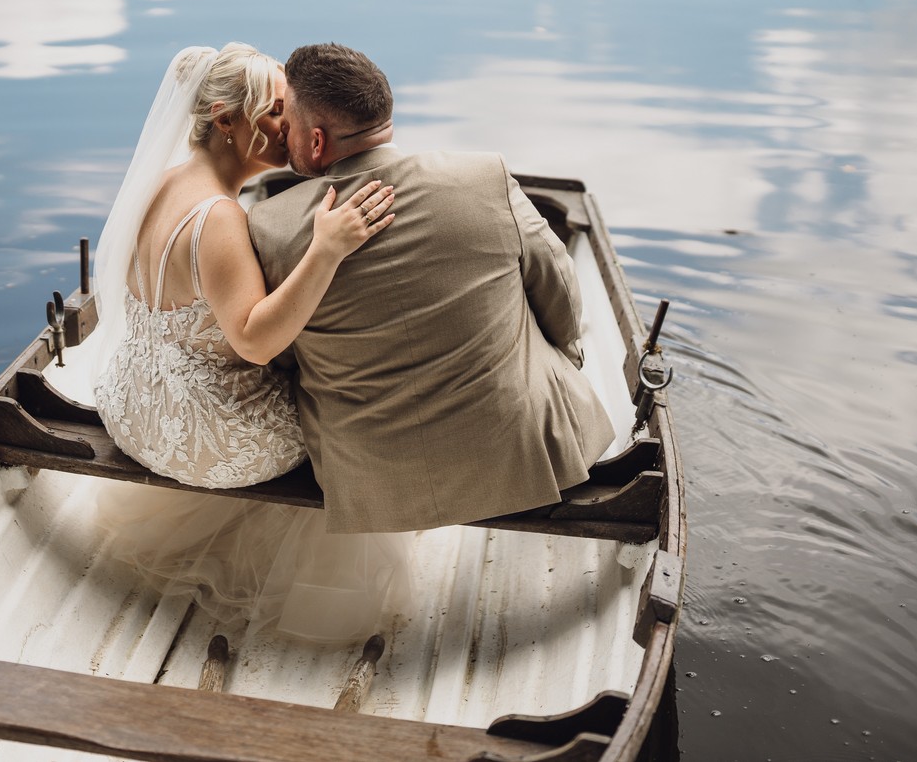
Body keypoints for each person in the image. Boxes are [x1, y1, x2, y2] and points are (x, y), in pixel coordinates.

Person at [83, 42, 406, 644]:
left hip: (133, 411)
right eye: (276, 111)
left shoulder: (158, 184)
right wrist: (327, 248)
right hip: (208, 441)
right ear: (227, 120)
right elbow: (255, 340)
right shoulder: (219, 219)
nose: (291, 125)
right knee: (345, 404)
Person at [248, 42, 617, 535]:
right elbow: (561, 294)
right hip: (524, 450)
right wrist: (566, 356)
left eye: (287, 123)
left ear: (316, 142)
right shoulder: (484, 177)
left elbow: (284, 358)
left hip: (369, 479)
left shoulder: (270, 225)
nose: (282, 134)